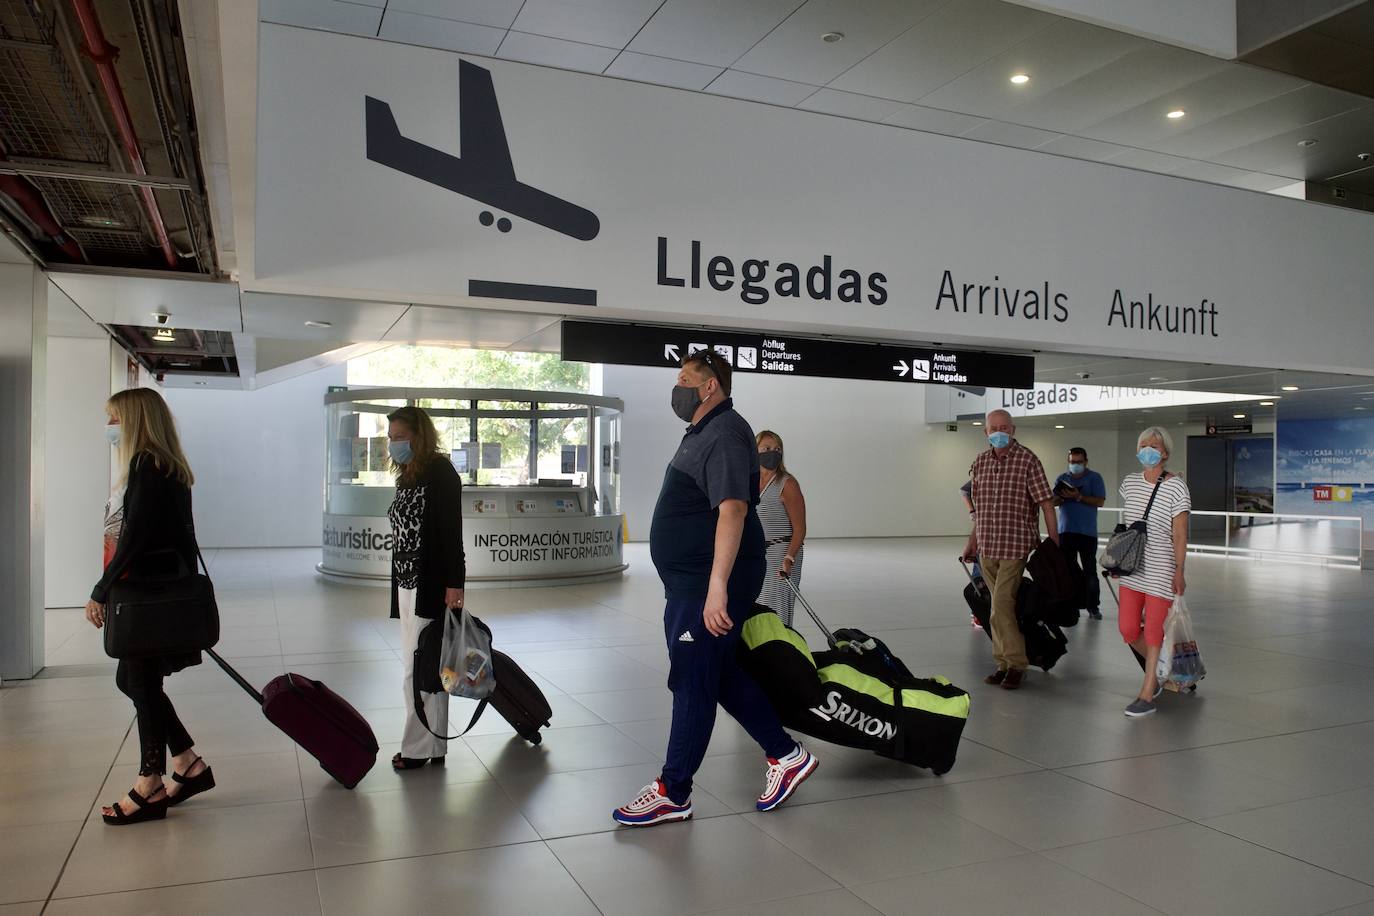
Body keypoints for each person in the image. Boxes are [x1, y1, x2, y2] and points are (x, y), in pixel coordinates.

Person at [614, 351, 817, 826]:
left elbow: (733, 511)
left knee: (692, 678)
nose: (677, 388)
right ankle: (786, 755)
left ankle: (673, 791)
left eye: (685, 379)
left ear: (709, 387)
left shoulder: (725, 431)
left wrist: (717, 588)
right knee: (717, 672)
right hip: (693, 579)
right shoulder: (702, 431)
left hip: (706, 581)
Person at [85, 388, 214, 825]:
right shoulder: (166, 466)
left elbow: (135, 537)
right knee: (136, 680)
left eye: (114, 418)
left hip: (145, 598)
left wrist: (101, 588)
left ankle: (150, 782)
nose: (110, 427)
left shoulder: (147, 465)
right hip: (156, 595)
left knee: (137, 681)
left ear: (135, 419)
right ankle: (187, 763)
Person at [386, 405, 467, 769]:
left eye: (399, 438)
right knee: (424, 665)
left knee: (419, 669)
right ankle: (433, 746)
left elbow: (452, 532)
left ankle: (419, 749)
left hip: (430, 584)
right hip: (407, 584)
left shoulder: (440, 471)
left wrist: (455, 583)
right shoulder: (407, 474)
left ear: (418, 436)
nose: (393, 445)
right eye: (390, 439)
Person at [960, 409, 1057, 690]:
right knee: (996, 607)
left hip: (1015, 545)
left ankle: (1015, 665)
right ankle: (1003, 664)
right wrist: (972, 541)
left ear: (1013, 430)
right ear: (986, 432)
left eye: (1005, 427)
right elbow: (980, 510)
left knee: (1001, 604)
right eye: (994, 428)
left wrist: (1054, 544)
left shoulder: (1028, 460)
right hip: (988, 546)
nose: (1000, 432)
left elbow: (1046, 504)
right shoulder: (980, 463)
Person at [1115, 426, 1191, 718]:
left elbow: (1180, 533)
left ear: (1165, 453)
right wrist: (1119, 560)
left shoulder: (1176, 486)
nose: (1148, 449)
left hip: (1161, 568)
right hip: (1133, 567)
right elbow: (1128, 526)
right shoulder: (1129, 483)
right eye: (1143, 444)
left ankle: (1148, 691)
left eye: (1154, 445)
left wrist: (1180, 570)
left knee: (1155, 632)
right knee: (1128, 628)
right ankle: (1170, 670)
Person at [755, 430, 807, 627]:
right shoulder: (750, 483)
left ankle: (781, 651)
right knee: (758, 610)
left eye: (777, 449)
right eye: (766, 448)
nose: (773, 453)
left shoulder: (787, 483)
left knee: (776, 610)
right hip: (759, 554)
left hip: (781, 553)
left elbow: (800, 529)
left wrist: (789, 558)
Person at [1053, 447, 1107, 620]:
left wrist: (1079, 497)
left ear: (1086, 461)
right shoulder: (1062, 478)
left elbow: (1100, 501)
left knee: (1089, 571)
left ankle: (1093, 607)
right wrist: (1062, 497)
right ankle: (1070, 605)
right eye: (1072, 462)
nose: (1075, 465)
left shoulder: (1095, 478)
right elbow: (1052, 501)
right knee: (1067, 571)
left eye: (1078, 462)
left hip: (1087, 533)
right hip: (1066, 531)